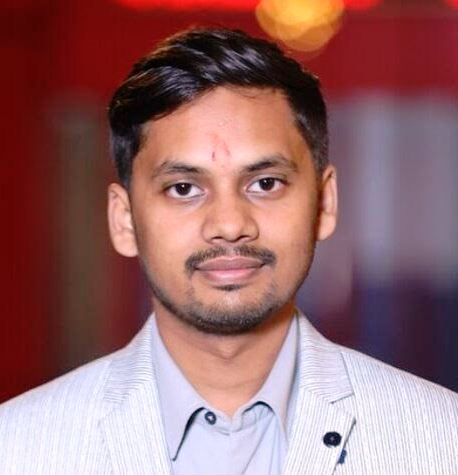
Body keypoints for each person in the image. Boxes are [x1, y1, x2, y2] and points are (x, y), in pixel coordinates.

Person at [0, 27, 457, 475]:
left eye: (265, 183)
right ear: (124, 220)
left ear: (324, 204)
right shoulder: (19, 448)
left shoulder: (440, 440)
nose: (229, 225)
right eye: (183, 188)